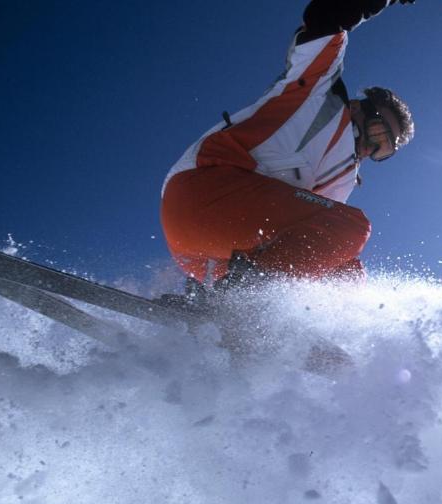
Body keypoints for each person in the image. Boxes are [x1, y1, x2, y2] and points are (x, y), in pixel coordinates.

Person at [160, 0, 415, 288]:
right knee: (352, 226)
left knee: (347, 274)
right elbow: (326, 17)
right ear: (359, 107)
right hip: (203, 192)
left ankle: (250, 320)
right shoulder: (318, 91)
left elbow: (312, 241)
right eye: (379, 132)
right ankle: (247, 293)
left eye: (384, 150)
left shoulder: (343, 180)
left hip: (211, 253)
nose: (372, 147)